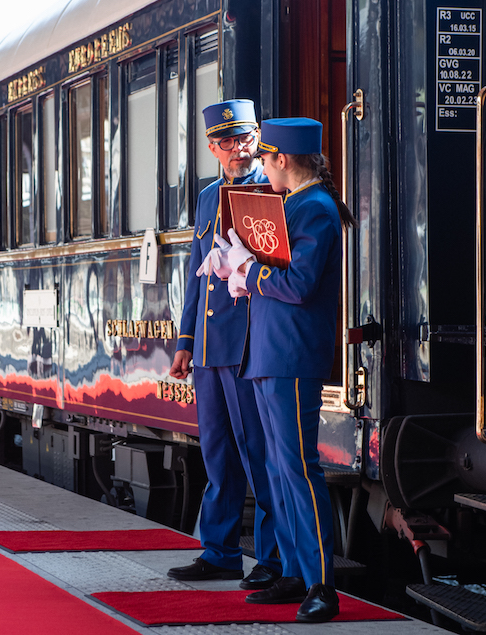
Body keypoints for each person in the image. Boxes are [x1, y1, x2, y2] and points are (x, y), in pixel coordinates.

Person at [220, 117, 357, 623]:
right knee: (279, 472)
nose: (263, 170)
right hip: (272, 353)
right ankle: (297, 572)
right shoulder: (297, 205)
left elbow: (298, 285)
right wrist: (243, 270)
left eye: (266, 160)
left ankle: (322, 583)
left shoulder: (313, 208)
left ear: (282, 159)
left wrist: (246, 270)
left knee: (299, 470)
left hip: (291, 355)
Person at [166, 99, 281, 591]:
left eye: (245, 138)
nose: (239, 149)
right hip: (211, 348)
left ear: (257, 136)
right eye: (227, 142)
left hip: (249, 343)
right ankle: (219, 552)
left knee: (259, 454)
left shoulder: (272, 191)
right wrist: (185, 341)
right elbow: (196, 277)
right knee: (216, 454)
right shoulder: (206, 196)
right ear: (212, 148)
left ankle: (274, 560)